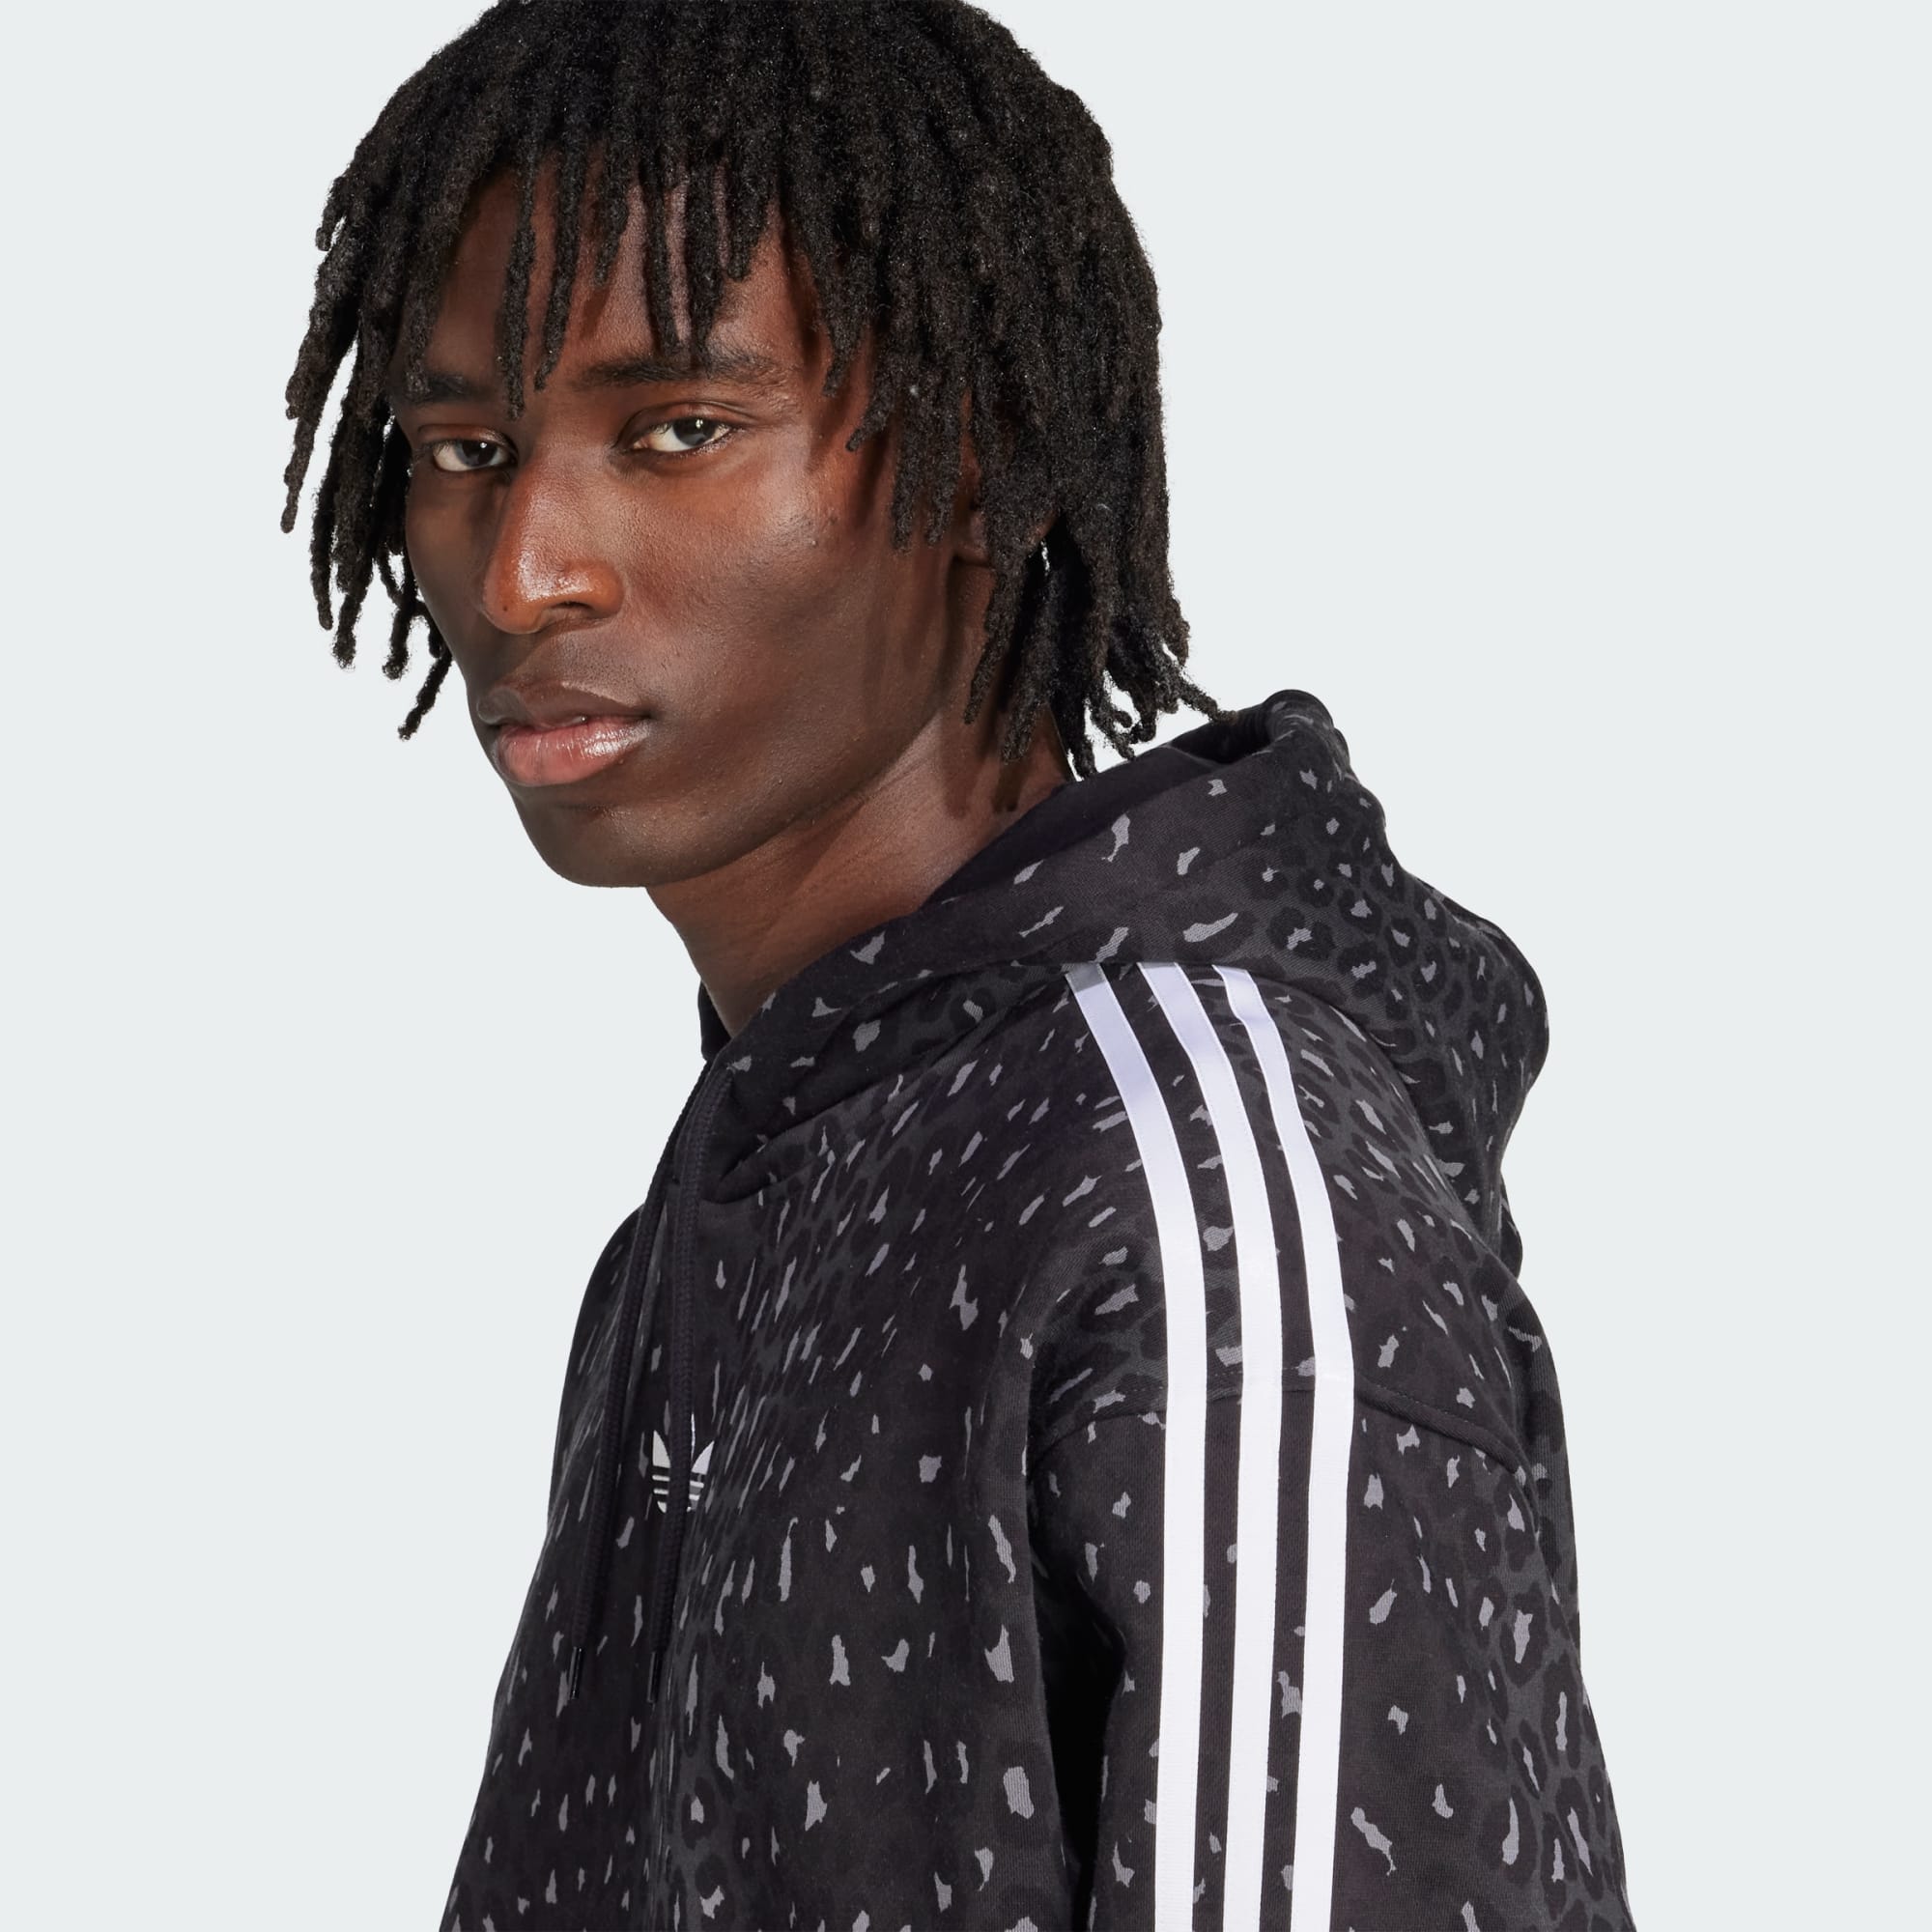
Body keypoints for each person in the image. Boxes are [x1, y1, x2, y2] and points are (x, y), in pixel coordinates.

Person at [280, 2, 1634, 1926]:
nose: (522, 572)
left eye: (679, 430)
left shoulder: (1197, 1205)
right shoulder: (745, 1185)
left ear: (986, 454)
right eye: (464, 450)